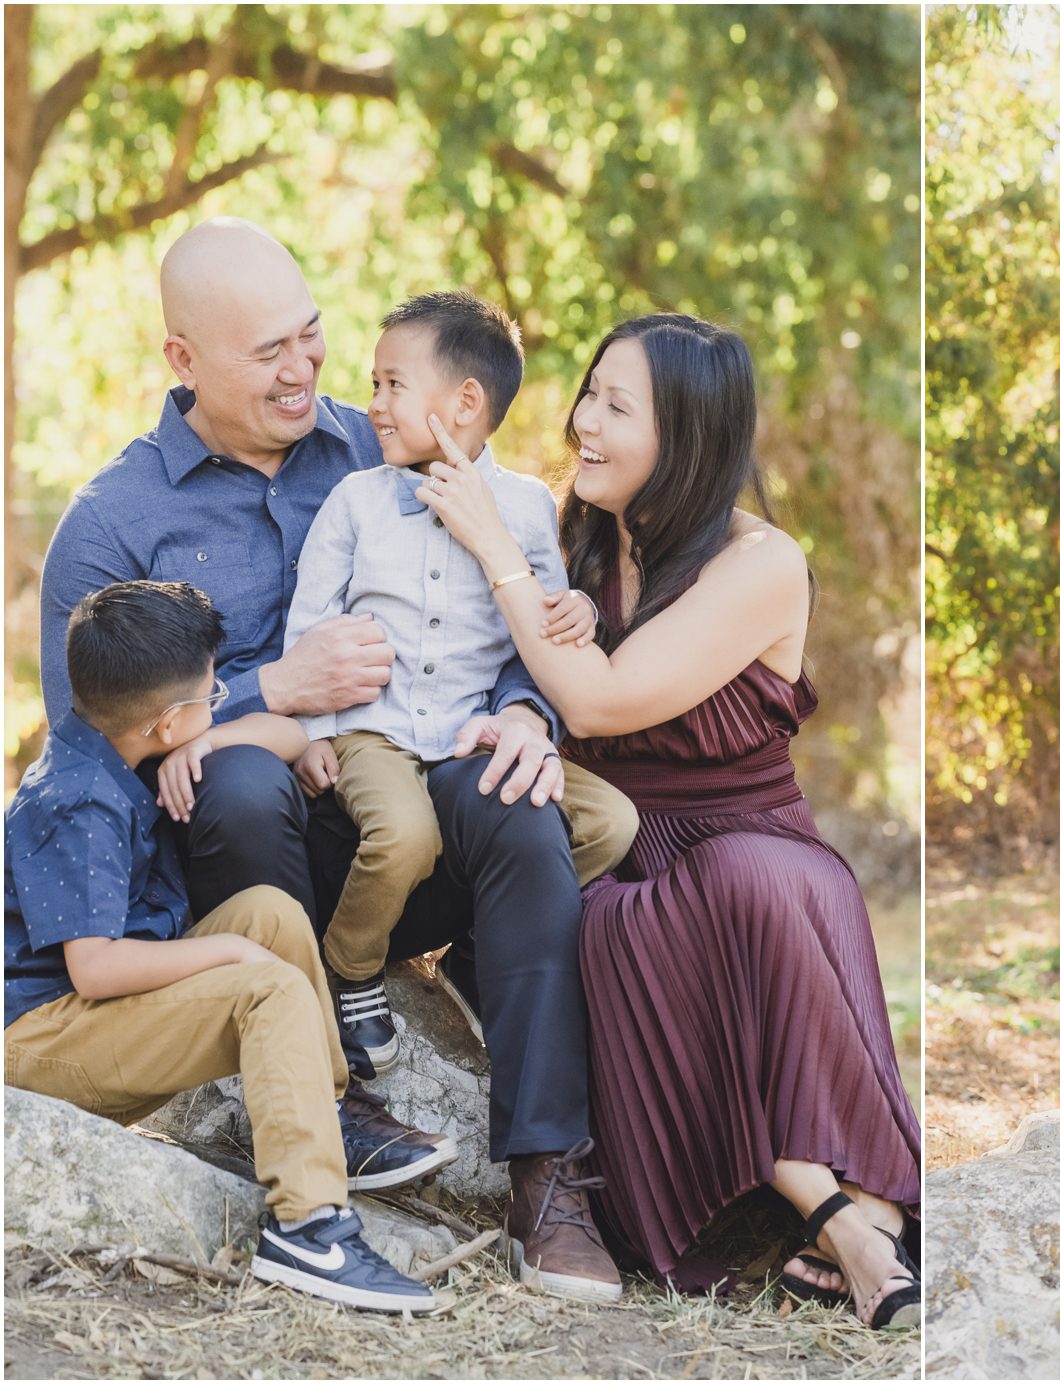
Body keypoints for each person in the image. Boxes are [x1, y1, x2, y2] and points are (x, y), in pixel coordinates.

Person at [36, 218, 622, 1302]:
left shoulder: (381, 445)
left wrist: (527, 710)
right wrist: (274, 691)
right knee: (240, 771)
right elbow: (94, 748)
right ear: (183, 360)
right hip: (246, 866)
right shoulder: (113, 522)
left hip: (399, 827)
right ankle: (326, 1092)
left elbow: (503, 614)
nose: (304, 367)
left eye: (311, 336)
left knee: (523, 802)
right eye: (268, 352)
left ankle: (547, 1177)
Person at [415, 312, 922, 1328]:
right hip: (620, 863)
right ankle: (840, 1213)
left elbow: (601, 700)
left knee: (741, 879)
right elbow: (520, 679)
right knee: (588, 926)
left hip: (753, 856)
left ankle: (839, 1206)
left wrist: (494, 553)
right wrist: (520, 700)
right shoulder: (575, 539)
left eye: (615, 404)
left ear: (685, 435)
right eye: (587, 393)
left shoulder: (761, 561)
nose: (580, 422)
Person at [4, 582, 439, 1313]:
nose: (220, 699)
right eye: (212, 696)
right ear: (166, 719)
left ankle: (320, 1116)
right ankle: (310, 1229)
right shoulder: (77, 799)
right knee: (259, 975)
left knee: (267, 913)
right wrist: (229, 958)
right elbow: (96, 967)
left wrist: (209, 738)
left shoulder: (125, 742)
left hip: (78, 1008)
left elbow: (293, 737)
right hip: (34, 1041)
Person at [277, 290, 637, 1076]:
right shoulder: (357, 501)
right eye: (373, 384)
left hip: (471, 732)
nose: (371, 404)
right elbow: (307, 627)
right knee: (405, 835)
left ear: (466, 401)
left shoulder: (525, 506)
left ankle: (476, 947)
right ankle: (349, 970)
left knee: (610, 821)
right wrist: (306, 737)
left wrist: (575, 604)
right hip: (371, 728)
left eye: (391, 385)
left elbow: (540, 610)